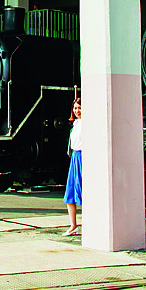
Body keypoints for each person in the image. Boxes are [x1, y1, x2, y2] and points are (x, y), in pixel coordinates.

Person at [63, 97, 82, 236]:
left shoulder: (87, 124)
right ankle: (73, 225)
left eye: (80, 108)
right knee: (70, 193)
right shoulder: (75, 124)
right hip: (75, 157)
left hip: (83, 156)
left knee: (83, 191)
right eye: (75, 108)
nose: (77, 111)